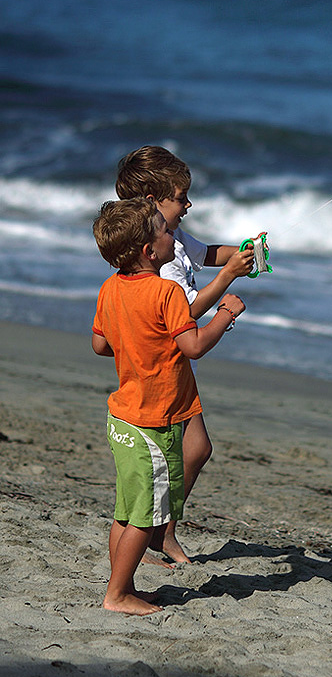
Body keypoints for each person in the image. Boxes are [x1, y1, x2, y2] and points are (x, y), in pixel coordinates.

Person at [91, 197, 245, 615]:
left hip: (121, 415)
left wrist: (139, 344)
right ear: (149, 251)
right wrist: (224, 315)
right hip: (151, 422)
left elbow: (101, 344)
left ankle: (123, 585)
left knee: (126, 509)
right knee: (145, 514)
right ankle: (117, 594)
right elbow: (192, 346)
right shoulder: (166, 292)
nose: (172, 238)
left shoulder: (109, 288)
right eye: (166, 232)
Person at [115, 145, 256, 565]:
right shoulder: (157, 259)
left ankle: (163, 531)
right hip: (163, 365)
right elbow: (186, 313)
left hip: (173, 366)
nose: (188, 204)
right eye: (181, 197)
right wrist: (227, 282)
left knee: (196, 449)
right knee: (186, 451)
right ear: (151, 203)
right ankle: (158, 531)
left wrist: (243, 253)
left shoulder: (171, 238)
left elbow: (208, 253)